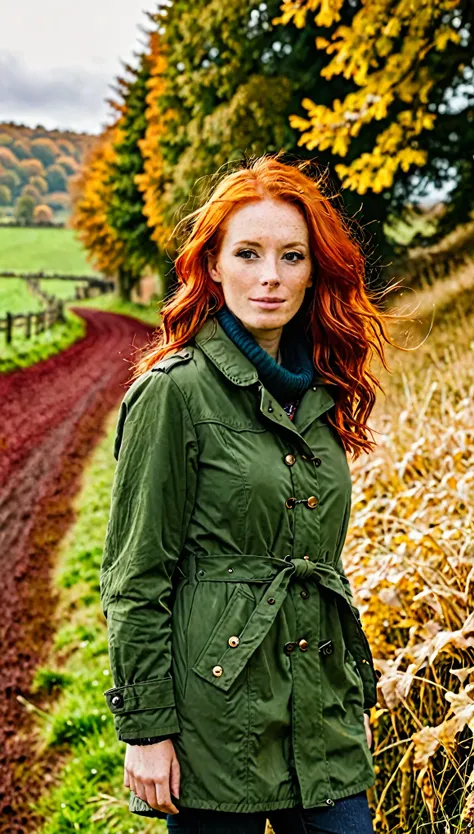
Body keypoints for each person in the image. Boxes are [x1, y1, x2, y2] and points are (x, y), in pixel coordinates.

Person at [99, 152, 403, 834]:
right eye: (248, 253)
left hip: (319, 715)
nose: (270, 276)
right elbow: (135, 577)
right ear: (211, 265)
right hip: (214, 722)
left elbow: (320, 558)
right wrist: (146, 729)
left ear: (314, 269)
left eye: (291, 256)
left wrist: (347, 686)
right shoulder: (174, 392)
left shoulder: (323, 394)